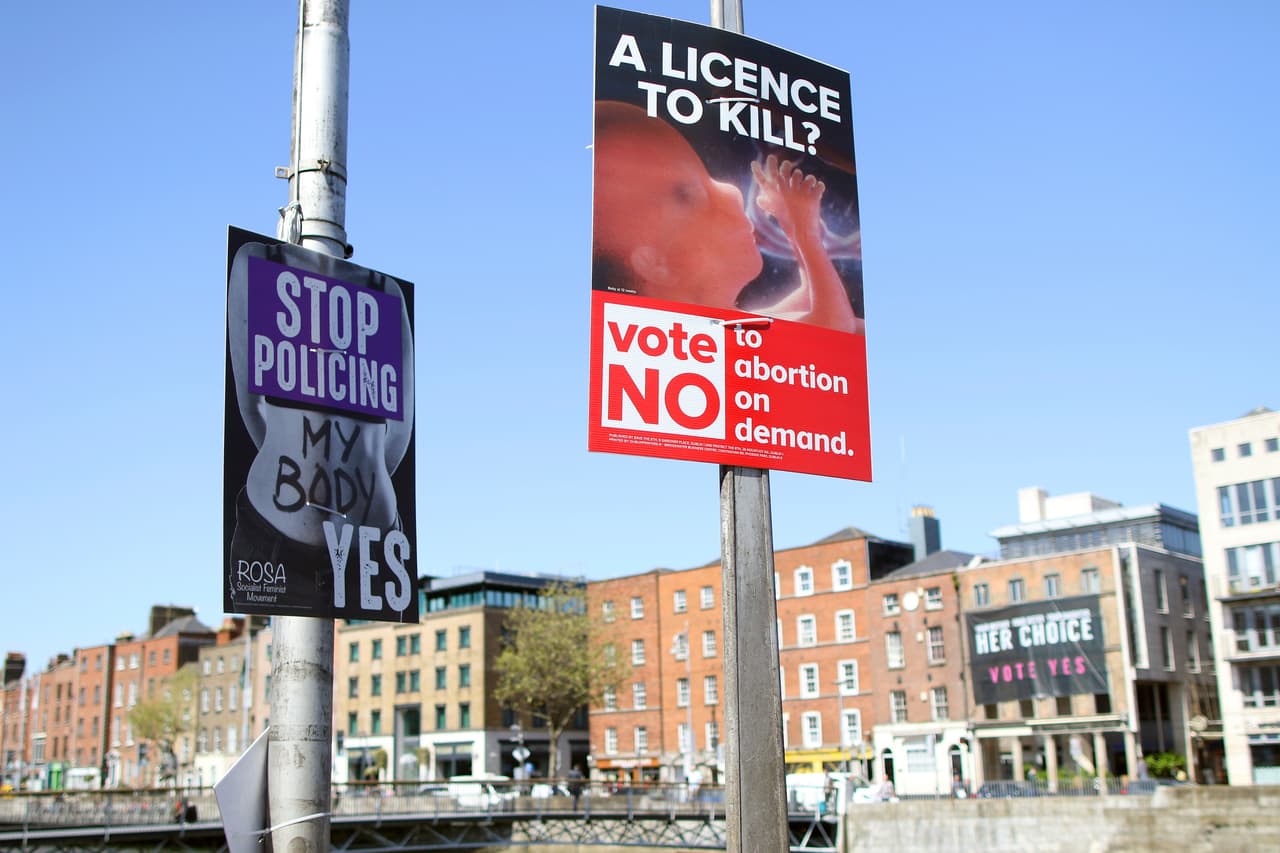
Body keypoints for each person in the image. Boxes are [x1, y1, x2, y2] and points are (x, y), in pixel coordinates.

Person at [226, 238, 415, 617]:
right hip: (275, 542)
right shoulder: (258, 262)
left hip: (373, 552)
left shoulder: (384, 292)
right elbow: (250, 408)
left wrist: (312, 467)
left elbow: (399, 435)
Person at [592, 101, 864, 334]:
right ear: (656, 263)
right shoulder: (705, 338)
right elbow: (836, 327)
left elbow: (806, 305)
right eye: (689, 195)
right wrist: (806, 235)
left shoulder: (732, 322)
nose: (732, 191)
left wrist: (793, 229)